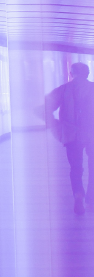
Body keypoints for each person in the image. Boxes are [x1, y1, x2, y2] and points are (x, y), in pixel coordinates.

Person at [45, 62, 94, 214]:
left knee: (76, 168)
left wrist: (56, 125)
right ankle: (91, 195)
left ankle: (78, 195)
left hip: (72, 135)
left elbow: (44, 107)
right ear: (87, 73)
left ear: (72, 74)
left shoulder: (64, 89)